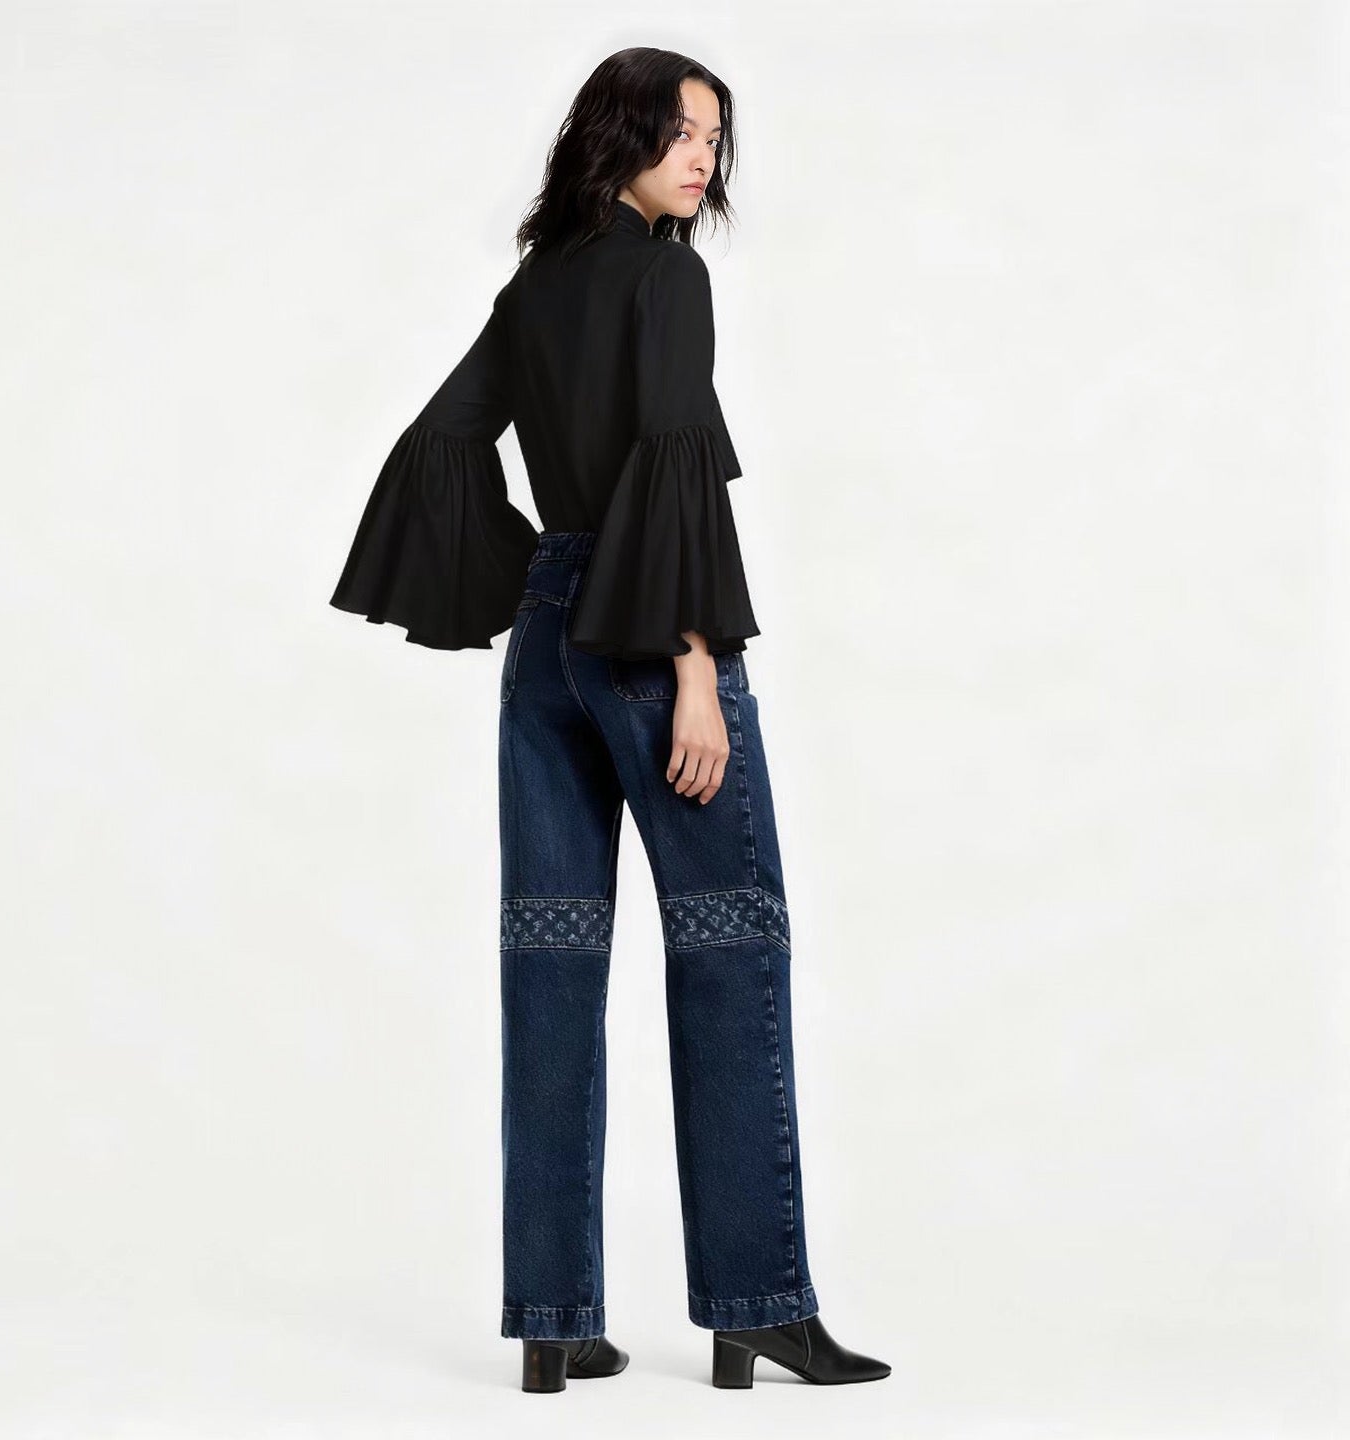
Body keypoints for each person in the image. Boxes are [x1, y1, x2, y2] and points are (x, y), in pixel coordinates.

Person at [329, 46, 892, 1395]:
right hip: (654, 640)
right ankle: (758, 1305)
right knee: (730, 952)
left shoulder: (537, 286)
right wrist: (694, 666)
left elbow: (446, 438)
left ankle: (553, 1319)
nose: (703, 158)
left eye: (715, 138)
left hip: (549, 645)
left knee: (551, 964)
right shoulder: (665, 279)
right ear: (619, 135)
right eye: (681, 132)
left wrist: (534, 570)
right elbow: (673, 467)